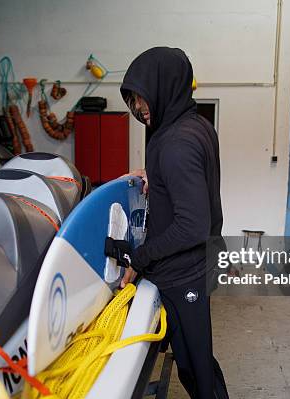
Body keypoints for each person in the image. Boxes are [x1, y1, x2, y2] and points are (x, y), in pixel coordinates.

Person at [120, 47, 229, 399]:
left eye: (143, 96)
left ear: (164, 86)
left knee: (197, 370)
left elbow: (192, 225)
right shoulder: (194, 125)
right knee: (195, 362)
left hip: (185, 274)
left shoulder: (176, 144)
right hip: (198, 264)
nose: (139, 107)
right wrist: (156, 176)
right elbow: (190, 183)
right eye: (134, 99)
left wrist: (141, 257)